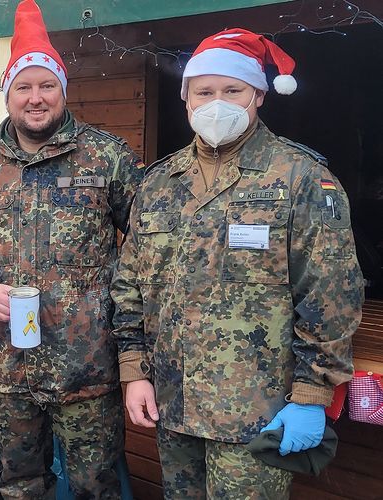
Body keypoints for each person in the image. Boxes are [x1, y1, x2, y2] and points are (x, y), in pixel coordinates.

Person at [112, 28, 363, 498]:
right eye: (204, 91)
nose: (217, 102)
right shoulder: (159, 183)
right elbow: (130, 285)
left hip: (257, 410)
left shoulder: (301, 177)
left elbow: (331, 294)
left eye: (233, 90)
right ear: (186, 98)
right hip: (174, 403)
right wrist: (135, 371)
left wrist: (312, 393)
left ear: (260, 95)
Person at [0, 0, 145, 497]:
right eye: (23, 87)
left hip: (88, 366)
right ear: (8, 94)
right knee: (20, 485)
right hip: (10, 367)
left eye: (46, 85)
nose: (35, 98)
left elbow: (144, 247)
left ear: (62, 91)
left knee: (96, 486)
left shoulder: (107, 157)